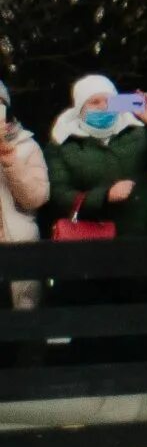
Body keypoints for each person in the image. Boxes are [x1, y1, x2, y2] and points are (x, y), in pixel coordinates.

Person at [41, 75, 147, 237]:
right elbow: (58, 195)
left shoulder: (139, 131)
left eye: (109, 101)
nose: (104, 107)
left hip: (145, 236)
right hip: (93, 240)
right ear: (79, 109)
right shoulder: (61, 143)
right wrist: (104, 196)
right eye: (94, 102)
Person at [0, 78, 52, 314]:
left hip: (16, 248)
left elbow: (36, 198)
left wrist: (11, 161)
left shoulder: (26, 146)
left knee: (23, 328)